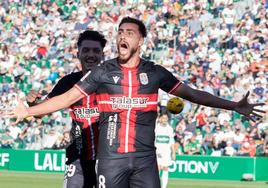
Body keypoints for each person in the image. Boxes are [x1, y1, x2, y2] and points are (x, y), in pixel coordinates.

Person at [3, 17, 265, 188]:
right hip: (94, 160)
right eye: (120, 32)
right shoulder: (90, 76)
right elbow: (64, 99)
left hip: (132, 159)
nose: (92, 54)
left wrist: (232, 105)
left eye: (129, 32)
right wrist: (29, 110)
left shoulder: (145, 73)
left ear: (140, 41)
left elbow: (191, 93)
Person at [25, 30, 106, 188]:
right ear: (78, 54)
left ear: (102, 54)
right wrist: (33, 105)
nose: (91, 54)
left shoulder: (112, 82)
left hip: (107, 160)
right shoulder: (68, 82)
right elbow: (41, 114)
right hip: (77, 159)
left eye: (96, 51)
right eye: (86, 50)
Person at [155, 113, 176, 188]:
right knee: (158, 168)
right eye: (163, 118)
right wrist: (156, 151)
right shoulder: (156, 128)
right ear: (160, 119)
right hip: (157, 151)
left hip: (167, 151)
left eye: (166, 118)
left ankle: (164, 187)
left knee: (165, 168)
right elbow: (152, 141)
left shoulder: (169, 129)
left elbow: (172, 141)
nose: (165, 120)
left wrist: (173, 153)